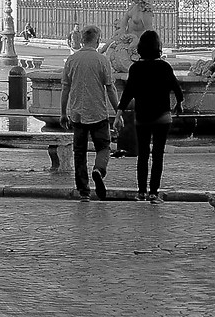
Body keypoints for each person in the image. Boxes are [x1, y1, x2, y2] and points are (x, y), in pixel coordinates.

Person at [118, 30, 186, 202]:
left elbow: (128, 92)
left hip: (142, 117)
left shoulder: (135, 68)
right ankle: (154, 192)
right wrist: (179, 103)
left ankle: (141, 191)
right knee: (158, 155)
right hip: (162, 116)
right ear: (158, 47)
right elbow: (177, 89)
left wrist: (119, 112)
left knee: (143, 154)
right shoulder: (164, 67)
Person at [58, 26, 122, 201]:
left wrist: (63, 113)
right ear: (98, 39)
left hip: (77, 113)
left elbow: (65, 88)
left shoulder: (71, 60)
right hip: (98, 113)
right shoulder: (102, 60)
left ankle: (84, 191)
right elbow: (110, 88)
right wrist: (118, 112)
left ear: (82, 40)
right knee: (104, 146)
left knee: (79, 152)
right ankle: (98, 169)